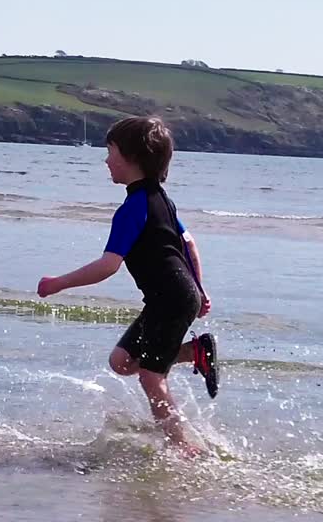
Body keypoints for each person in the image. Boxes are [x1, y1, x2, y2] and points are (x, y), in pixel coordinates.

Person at [38, 116, 217, 452]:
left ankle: (185, 450)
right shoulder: (162, 199)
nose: (106, 160)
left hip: (172, 299)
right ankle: (195, 352)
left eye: (111, 152)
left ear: (132, 158)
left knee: (151, 377)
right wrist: (200, 289)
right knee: (121, 362)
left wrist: (59, 283)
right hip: (175, 296)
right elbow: (189, 244)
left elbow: (108, 265)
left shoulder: (133, 209)